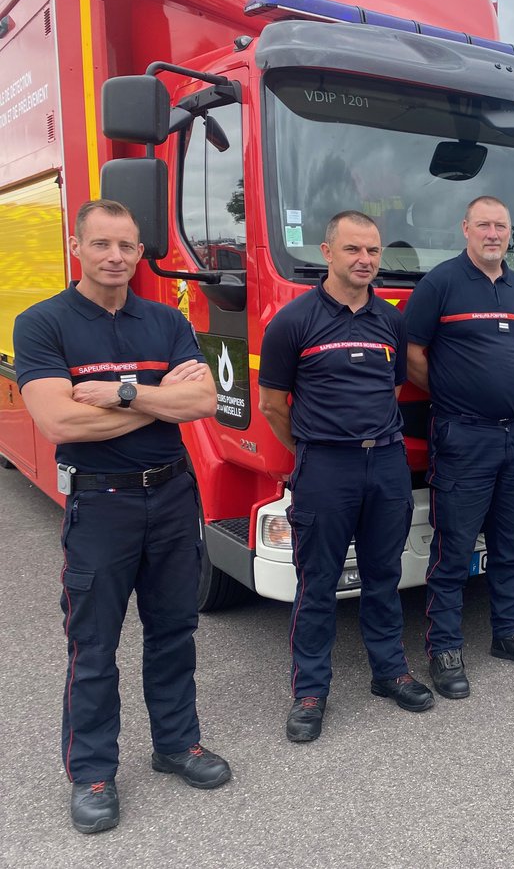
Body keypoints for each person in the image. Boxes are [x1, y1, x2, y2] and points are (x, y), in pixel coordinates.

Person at [13, 199, 230, 834]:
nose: (116, 257)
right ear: (76, 247)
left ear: (140, 252)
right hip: (100, 504)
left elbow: (205, 401)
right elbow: (59, 421)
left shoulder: (166, 320)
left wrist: (122, 394)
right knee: (94, 643)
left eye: (127, 246)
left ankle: (176, 744)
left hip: (172, 497)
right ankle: (92, 773)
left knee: (174, 631)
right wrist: (160, 400)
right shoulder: (43, 323)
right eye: (102, 244)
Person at [259, 211, 432, 744]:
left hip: (386, 463)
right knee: (318, 583)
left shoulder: (390, 321)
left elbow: (393, 388)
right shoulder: (293, 322)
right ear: (327, 252)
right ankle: (310, 692)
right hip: (325, 467)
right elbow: (272, 405)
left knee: (383, 575)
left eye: (373, 251)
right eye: (353, 249)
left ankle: (390, 672)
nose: (365, 260)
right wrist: (313, 451)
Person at [405, 195, 514, 699]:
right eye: (484, 225)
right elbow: (413, 355)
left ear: (511, 234)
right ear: (465, 228)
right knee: (453, 550)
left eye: (501, 227)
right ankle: (445, 649)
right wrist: (453, 393)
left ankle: (509, 633)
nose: (494, 234)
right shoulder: (440, 284)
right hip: (463, 437)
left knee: (511, 544)